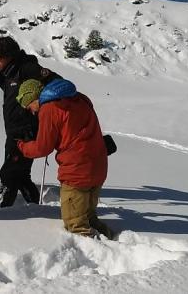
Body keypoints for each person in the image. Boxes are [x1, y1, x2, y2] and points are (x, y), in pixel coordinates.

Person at [15, 78, 115, 239]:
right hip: (98, 166)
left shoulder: (49, 109)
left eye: (29, 107)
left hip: (76, 171)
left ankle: (103, 257)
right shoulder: (79, 98)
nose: (32, 112)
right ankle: (113, 242)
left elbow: (43, 147)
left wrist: (21, 146)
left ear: (34, 97)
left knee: (76, 226)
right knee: (89, 218)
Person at [0, 36, 59, 207]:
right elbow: (16, 91)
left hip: (25, 131)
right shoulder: (11, 72)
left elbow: (55, 82)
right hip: (14, 130)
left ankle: (6, 211)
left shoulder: (28, 68)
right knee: (22, 175)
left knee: (9, 174)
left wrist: (40, 103)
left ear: (9, 56)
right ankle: (34, 206)